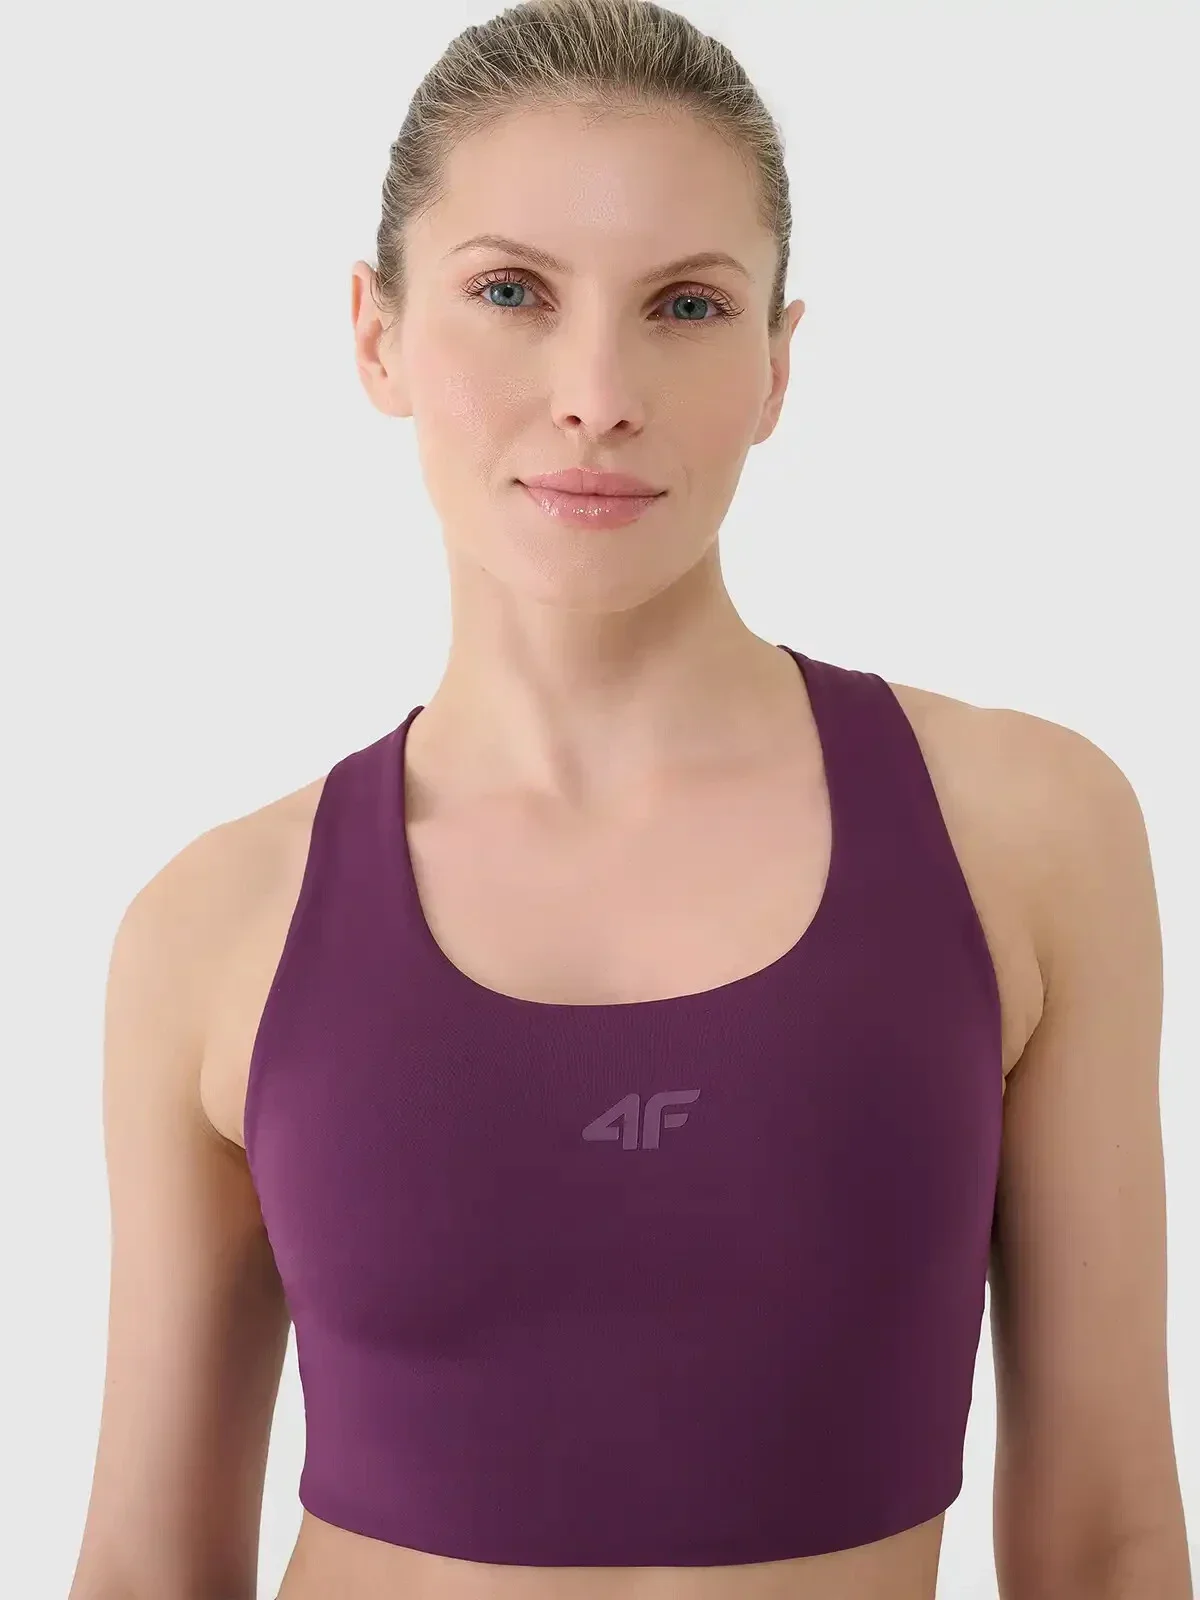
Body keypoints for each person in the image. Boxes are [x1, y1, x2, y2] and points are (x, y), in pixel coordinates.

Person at [68, 1, 1192, 1597]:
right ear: (377, 335)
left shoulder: (1023, 832)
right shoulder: (211, 927)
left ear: (777, 365)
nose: (597, 391)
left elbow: (1109, 1536)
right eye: (510, 292)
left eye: (685, 305)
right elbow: (145, 1570)